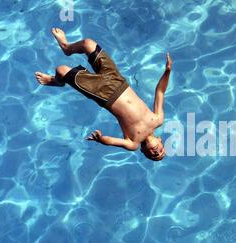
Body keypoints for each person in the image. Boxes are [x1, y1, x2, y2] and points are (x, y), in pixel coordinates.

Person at [35, 28, 172, 161]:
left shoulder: (133, 143)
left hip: (103, 94)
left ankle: (58, 82)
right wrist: (167, 72)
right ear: (160, 140)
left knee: (61, 70)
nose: (157, 152)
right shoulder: (158, 119)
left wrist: (101, 139)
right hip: (117, 80)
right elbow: (160, 91)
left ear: (143, 151)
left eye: (153, 155)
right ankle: (66, 47)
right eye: (161, 151)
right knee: (87, 43)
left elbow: (112, 141)